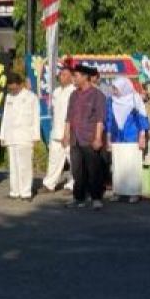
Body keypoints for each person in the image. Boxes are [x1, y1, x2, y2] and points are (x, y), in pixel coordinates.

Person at [65, 64, 108, 210]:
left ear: (85, 77)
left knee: (93, 169)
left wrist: (97, 138)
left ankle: (96, 198)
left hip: (90, 137)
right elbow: (68, 117)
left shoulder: (98, 95)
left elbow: (100, 119)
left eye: (75, 76)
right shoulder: (73, 94)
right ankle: (78, 198)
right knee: (77, 170)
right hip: (75, 138)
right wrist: (65, 135)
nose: (73, 79)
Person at [106, 76, 149, 204]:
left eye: (116, 89)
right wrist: (108, 138)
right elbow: (108, 120)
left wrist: (142, 136)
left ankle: (134, 193)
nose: (114, 91)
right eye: (113, 88)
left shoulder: (135, 99)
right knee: (117, 165)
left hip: (132, 136)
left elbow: (142, 117)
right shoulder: (111, 101)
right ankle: (118, 191)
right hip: (117, 137)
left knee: (132, 165)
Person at [0, 71, 41, 201]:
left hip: (25, 136)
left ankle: (26, 192)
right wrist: (2, 135)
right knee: (13, 166)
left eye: (14, 88)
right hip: (11, 135)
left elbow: (36, 118)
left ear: (20, 84)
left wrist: (36, 137)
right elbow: (5, 117)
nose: (12, 90)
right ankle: (14, 191)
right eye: (10, 88)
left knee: (25, 166)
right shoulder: (8, 97)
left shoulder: (31, 97)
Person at [41, 64, 76, 193]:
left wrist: (68, 133)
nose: (61, 77)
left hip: (69, 132)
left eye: (64, 75)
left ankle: (73, 184)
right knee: (54, 159)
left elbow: (73, 114)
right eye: (60, 75)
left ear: (71, 77)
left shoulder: (74, 91)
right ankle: (49, 184)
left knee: (72, 159)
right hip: (56, 131)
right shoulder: (56, 92)